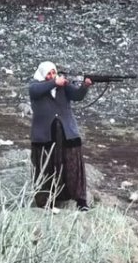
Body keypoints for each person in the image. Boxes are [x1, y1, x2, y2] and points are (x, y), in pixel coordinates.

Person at [28, 61, 94, 211]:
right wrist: (54, 83)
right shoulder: (35, 86)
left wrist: (85, 86)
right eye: (48, 74)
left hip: (66, 133)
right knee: (45, 168)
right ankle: (46, 201)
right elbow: (36, 90)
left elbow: (77, 96)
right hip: (45, 136)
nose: (51, 76)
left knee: (72, 166)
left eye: (53, 73)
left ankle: (80, 200)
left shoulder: (63, 86)